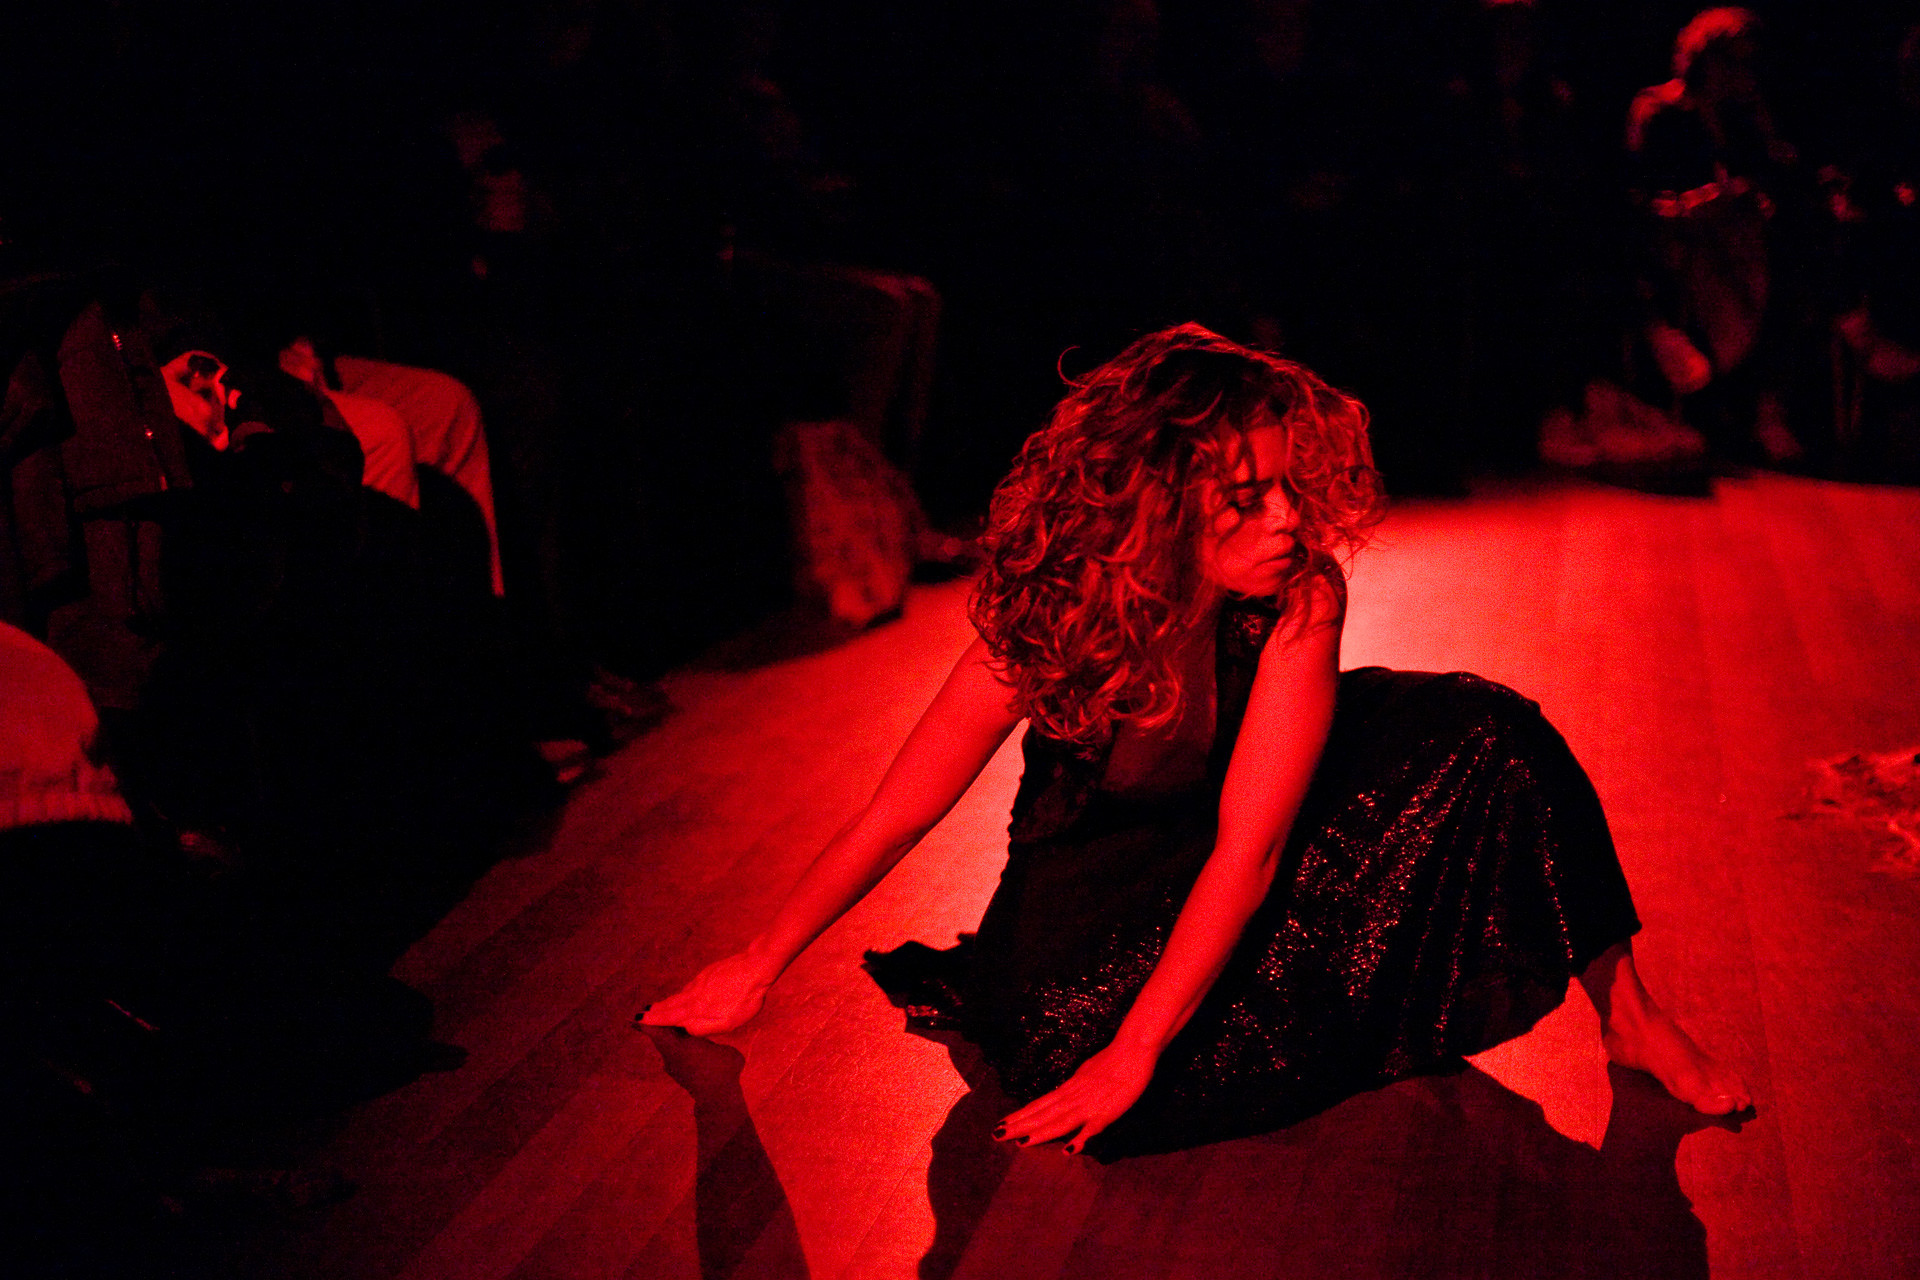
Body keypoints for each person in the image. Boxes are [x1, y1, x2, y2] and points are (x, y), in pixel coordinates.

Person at [639, 324, 1749, 1159]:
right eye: (1247, 498)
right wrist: (756, 964)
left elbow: (1249, 851)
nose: (1287, 519)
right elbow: (897, 813)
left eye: (1287, 487)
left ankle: (1633, 1017)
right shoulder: (1050, 624)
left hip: (1244, 845)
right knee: (1101, 1054)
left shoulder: (1298, 598)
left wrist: (1140, 1049)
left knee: (1498, 732)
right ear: (1160, 505)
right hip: (1099, 904)